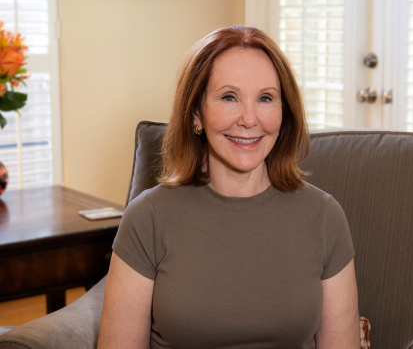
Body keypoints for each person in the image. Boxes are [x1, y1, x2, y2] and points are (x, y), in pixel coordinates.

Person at [98, 25, 360, 349]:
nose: (249, 119)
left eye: (265, 98)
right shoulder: (147, 218)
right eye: (229, 97)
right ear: (196, 114)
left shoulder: (324, 217)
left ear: (284, 113)